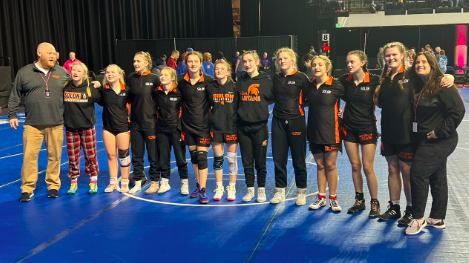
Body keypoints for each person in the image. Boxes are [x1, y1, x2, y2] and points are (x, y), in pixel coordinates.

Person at [376, 42, 454, 225]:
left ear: (402, 55)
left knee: (406, 170)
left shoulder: (412, 75)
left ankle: (411, 209)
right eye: (387, 56)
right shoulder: (384, 78)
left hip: (407, 131)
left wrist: (448, 76)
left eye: (394, 55)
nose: (391, 58)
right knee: (392, 168)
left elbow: (432, 76)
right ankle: (394, 206)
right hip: (388, 130)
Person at [405, 51, 465, 235]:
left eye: (424, 61)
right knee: (437, 177)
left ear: (432, 63)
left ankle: (418, 218)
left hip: (440, 140)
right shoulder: (418, 84)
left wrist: (440, 132)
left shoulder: (442, 85)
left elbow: (458, 111)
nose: (420, 64)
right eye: (417, 62)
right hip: (423, 139)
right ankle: (437, 218)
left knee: (417, 174)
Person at [8, 42, 69, 202]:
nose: (53, 55)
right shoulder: (24, 72)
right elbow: (15, 94)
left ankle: (53, 186)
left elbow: (76, 89)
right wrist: (12, 114)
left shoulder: (62, 72)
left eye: (54, 53)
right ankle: (27, 188)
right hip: (32, 124)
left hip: (56, 123)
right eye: (49, 53)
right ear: (39, 53)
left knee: (54, 157)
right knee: (29, 157)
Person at [339, 50, 381, 217]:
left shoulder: (375, 81)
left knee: (367, 167)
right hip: (348, 128)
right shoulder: (344, 81)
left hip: (367, 128)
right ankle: (359, 201)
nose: (349, 64)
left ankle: (375, 202)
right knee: (355, 166)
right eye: (347, 62)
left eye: (352, 62)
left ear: (363, 62)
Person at [269, 48, 309, 205]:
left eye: (285, 58)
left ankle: (301, 192)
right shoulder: (275, 78)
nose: (282, 61)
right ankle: (280, 191)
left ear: (292, 60)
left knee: (298, 158)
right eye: (279, 59)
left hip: (296, 121)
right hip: (278, 121)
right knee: (279, 158)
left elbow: (309, 98)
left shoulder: (301, 78)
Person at [307, 55, 344, 212]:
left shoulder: (336, 86)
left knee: (330, 165)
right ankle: (321, 197)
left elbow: (354, 100)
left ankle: (333, 198)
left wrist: (344, 113)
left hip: (331, 131)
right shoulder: (309, 86)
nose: (316, 67)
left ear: (327, 68)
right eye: (314, 64)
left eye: (320, 64)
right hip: (314, 131)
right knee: (320, 165)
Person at [237, 50, 274, 203]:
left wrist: (259, 109)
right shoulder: (240, 81)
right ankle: (250, 189)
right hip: (242, 128)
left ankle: (261, 190)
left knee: (260, 161)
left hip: (260, 127)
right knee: (247, 161)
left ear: (257, 62)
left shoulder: (266, 80)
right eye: (244, 61)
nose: (247, 64)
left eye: (250, 61)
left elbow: (271, 99)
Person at [178, 51, 213, 204]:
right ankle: (198, 185)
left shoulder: (208, 81)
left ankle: (204, 190)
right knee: (194, 158)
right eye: (189, 61)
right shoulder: (181, 81)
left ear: (201, 64)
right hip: (187, 125)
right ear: (186, 64)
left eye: (195, 61)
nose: (192, 64)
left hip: (204, 126)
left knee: (202, 157)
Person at [63, 62, 101, 195]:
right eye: (73, 70)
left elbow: (104, 99)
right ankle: (73, 182)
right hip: (71, 128)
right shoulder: (65, 87)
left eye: (79, 71)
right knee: (72, 156)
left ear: (84, 74)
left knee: (91, 155)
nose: (75, 73)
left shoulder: (91, 88)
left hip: (87, 128)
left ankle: (93, 180)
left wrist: (99, 84)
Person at [127, 51, 161, 195]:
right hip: (135, 123)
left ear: (146, 62)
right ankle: (139, 180)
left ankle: (154, 181)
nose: (135, 64)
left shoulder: (154, 79)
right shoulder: (130, 78)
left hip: (151, 123)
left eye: (138, 61)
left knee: (153, 155)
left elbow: (161, 98)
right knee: (137, 155)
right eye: (134, 61)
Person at [154, 67, 189, 195]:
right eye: (161, 75)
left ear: (173, 77)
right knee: (163, 157)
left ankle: (184, 182)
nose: (162, 77)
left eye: (166, 75)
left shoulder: (179, 92)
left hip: (176, 130)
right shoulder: (157, 92)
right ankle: (165, 182)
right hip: (161, 129)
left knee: (180, 157)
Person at [207, 60, 239, 201]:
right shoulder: (211, 88)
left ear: (228, 72)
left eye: (222, 68)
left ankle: (232, 187)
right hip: (216, 128)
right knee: (218, 160)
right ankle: (219, 187)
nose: (218, 71)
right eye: (216, 69)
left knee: (231, 160)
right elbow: (207, 107)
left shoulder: (235, 87)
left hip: (232, 128)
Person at [99, 64, 131, 193]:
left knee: (124, 156)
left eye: (112, 72)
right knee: (111, 155)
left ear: (119, 75)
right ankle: (112, 181)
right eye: (107, 72)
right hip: (108, 128)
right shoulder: (103, 90)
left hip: (123, 127)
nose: (110, 74)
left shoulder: (127, 90)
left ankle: (124, 181)